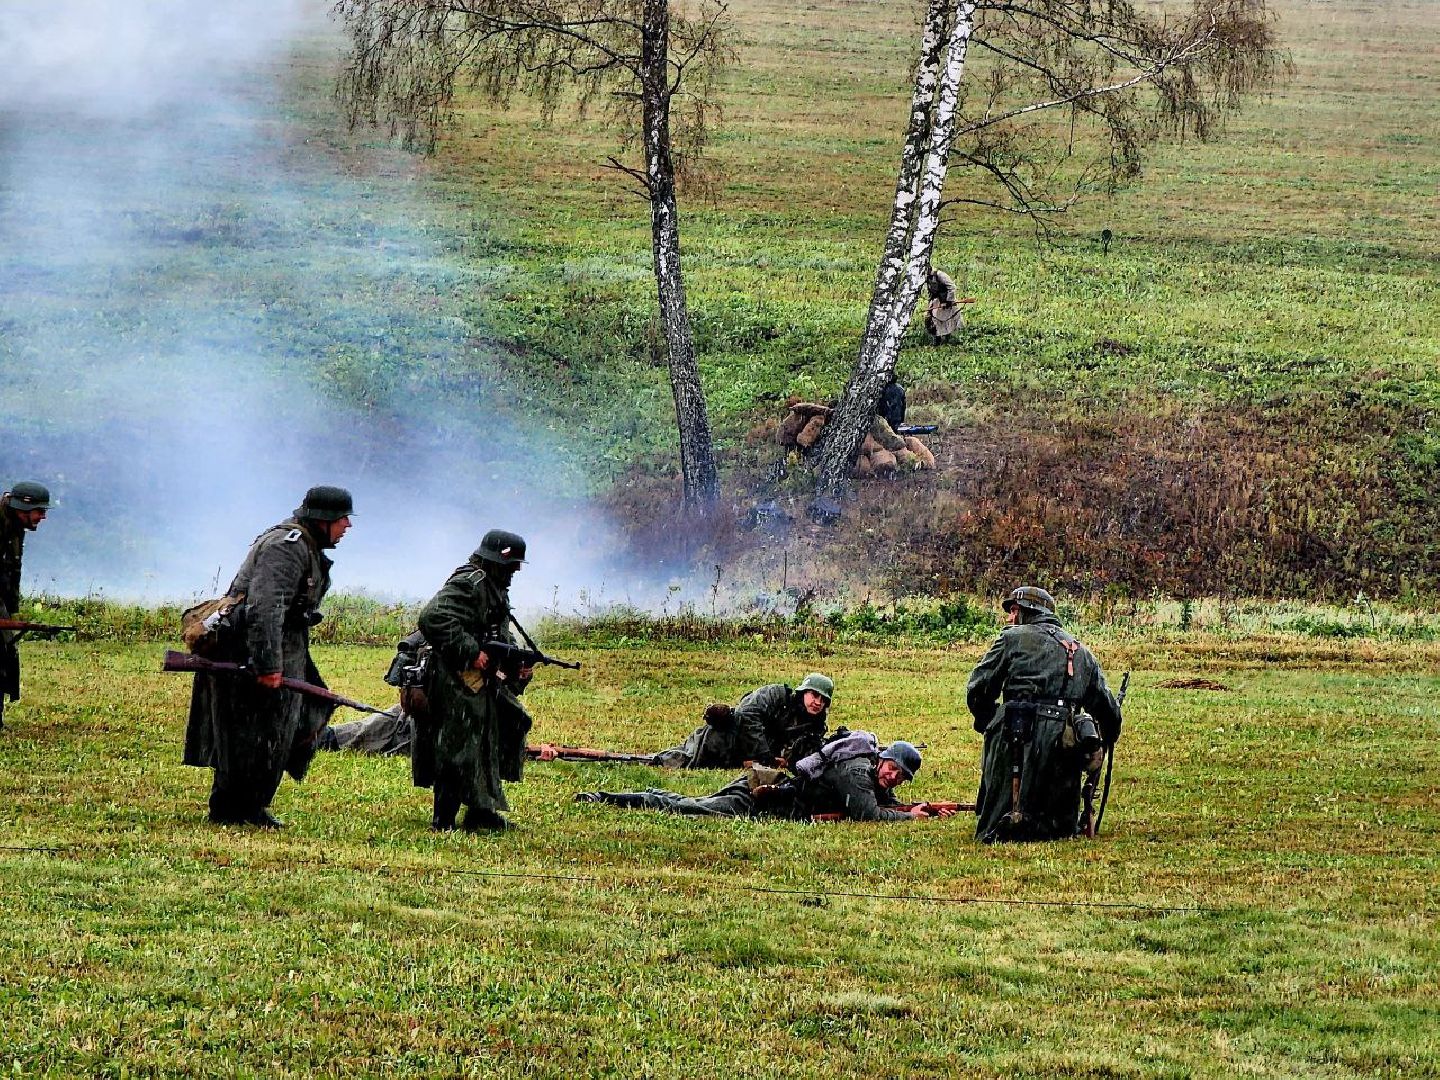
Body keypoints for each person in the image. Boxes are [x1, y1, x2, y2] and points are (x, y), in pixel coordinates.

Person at [182, 486, 353, 828]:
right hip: (251, 646)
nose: (347, 525)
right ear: (323, 520)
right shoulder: (286, 547)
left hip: (283, 644)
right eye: (341, 519)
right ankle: (233, 808)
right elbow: (264, 608)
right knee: (249, 731)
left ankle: (251, 805)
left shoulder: (303, 544)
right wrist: (268, 664)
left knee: (279, 729)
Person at [967, 586, 1122, 843]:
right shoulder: (1082, 652)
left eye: (1013, 611)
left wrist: (990, 722)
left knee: (996, 829)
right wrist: (1105, 737)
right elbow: (1108, 712)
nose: (1009, 618)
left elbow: (978, 690)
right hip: (1064, 741)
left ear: (1026, 611)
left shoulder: (1011, 639)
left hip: (1014, 735)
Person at [412, 529, 535, 832]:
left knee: (487, 741)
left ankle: (482, 811)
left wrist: (515, 665)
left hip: (477, 679)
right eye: (511, 565)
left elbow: (495, 634)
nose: (516, 571)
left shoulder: (492, 586)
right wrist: (471, 652)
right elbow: (433, 617)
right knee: (457, 747)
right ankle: (443, 820)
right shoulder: (470, 583)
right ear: (496, 561)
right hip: (453, 677)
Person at [577, 736, 948, 822]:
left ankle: (643, 794)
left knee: (683, 802)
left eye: (900, 776)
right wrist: (909, 817)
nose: (893, 777)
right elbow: (869, 815)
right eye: (892, 768)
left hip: (766, 793)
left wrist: (920, 808)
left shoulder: (867, 775)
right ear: (881, 759)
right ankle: (605, 798)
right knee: (687, 809)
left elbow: (881, 804)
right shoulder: (856, 773)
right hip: (759, 799)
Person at [648, 673, 834, 770]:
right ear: (803, 692)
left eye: (823, 699)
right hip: (726, 739)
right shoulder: (776, 695)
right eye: (814, 695)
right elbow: (747, 714)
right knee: (688, 758)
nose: (818, 702)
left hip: (746, 757)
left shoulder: (815, 726)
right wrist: (765, 757)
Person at [1, 481, 53, 730]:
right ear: (23, 507)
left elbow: (12, 571)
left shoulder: (16, 528)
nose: (42, 517)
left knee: (5, 652)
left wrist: (11, 611)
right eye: (39, 511)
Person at [924, 268, 965, 343]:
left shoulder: (941, 275)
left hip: (946, 301)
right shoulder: (926, 277)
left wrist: (948, 301)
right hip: (936, 301)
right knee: (932, 319)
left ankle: (948, 339)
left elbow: (952, 287)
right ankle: (937, 339)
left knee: (948, 320)